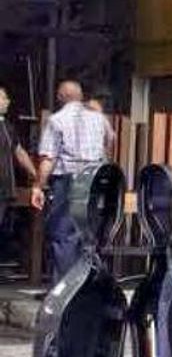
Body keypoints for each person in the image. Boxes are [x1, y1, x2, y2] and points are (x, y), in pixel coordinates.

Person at [32, 80, 114, 281]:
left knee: (63, 234)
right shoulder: (99, 119)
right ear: (80, 96)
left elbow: (48, 159)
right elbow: (110, 139)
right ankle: (87, 287)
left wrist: (38, 187)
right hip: (94, 180)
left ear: (60, 97)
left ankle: (64, 290)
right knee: (89, 234)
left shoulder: (56, 120)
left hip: (68, 181)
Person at [0, 87, 38, 233]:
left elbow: (19, 152)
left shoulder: (7, 127)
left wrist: (34, 173)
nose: (7, 102)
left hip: (4, 188)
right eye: (3, 98)